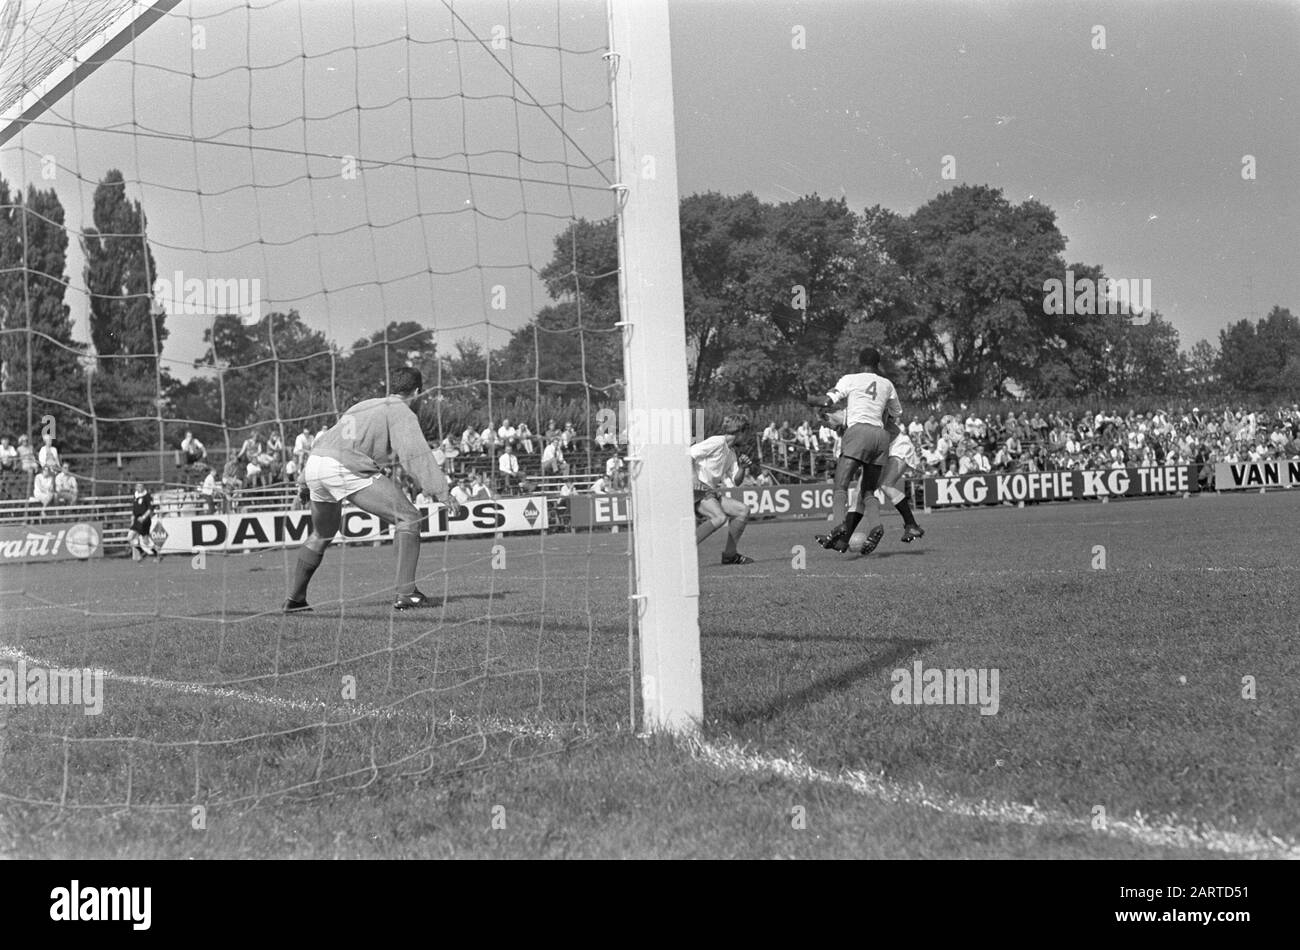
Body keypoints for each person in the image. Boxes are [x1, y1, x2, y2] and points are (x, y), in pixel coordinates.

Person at [284, 367, 461, 613]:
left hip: (315, 464)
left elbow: (328, 438)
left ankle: (295, 600)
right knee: (408, 517)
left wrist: (304, 480)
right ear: (418, 392)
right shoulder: (401, 410)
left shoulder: (363, 406)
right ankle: (407, 593)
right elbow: (414, 453)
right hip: (343, 466)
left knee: (322, 533)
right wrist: (441, 491)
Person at [808, 346, 901, 556]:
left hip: (858, 431)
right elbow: (895, 413)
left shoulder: (850, 379)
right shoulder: (887, 384)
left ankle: (840, 524)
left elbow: (826, 401)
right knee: (868, 490)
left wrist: (810, 399)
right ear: (878, 364)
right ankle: (876, 525)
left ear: (860, 362)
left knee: (840, 484)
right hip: (880, 436)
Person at [689, 413, 754, 565]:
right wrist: (693, 478)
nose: (747, 437)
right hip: (696, 490)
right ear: (740, 432)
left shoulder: (731, 453)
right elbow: (689, 454)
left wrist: (743, 468)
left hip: (707, 491)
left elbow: (736, 481)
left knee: (742, 511)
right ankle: (684, 551)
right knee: (719, 517)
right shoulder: (717, 442)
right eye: (747, 433)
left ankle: (730, 555)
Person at [126, 482, 162, 562]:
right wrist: (132, 518)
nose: (140, 487)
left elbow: (150, 509)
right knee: (130, 538)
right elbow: (134, 509)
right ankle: (143, 552)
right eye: (138, 486)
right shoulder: (135, 495)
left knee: (145, 540)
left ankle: (156, 555)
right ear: (135, 487)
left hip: (144, 520)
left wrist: (143, 517)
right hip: (136, 520)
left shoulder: (147, 496)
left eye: (141, 486)